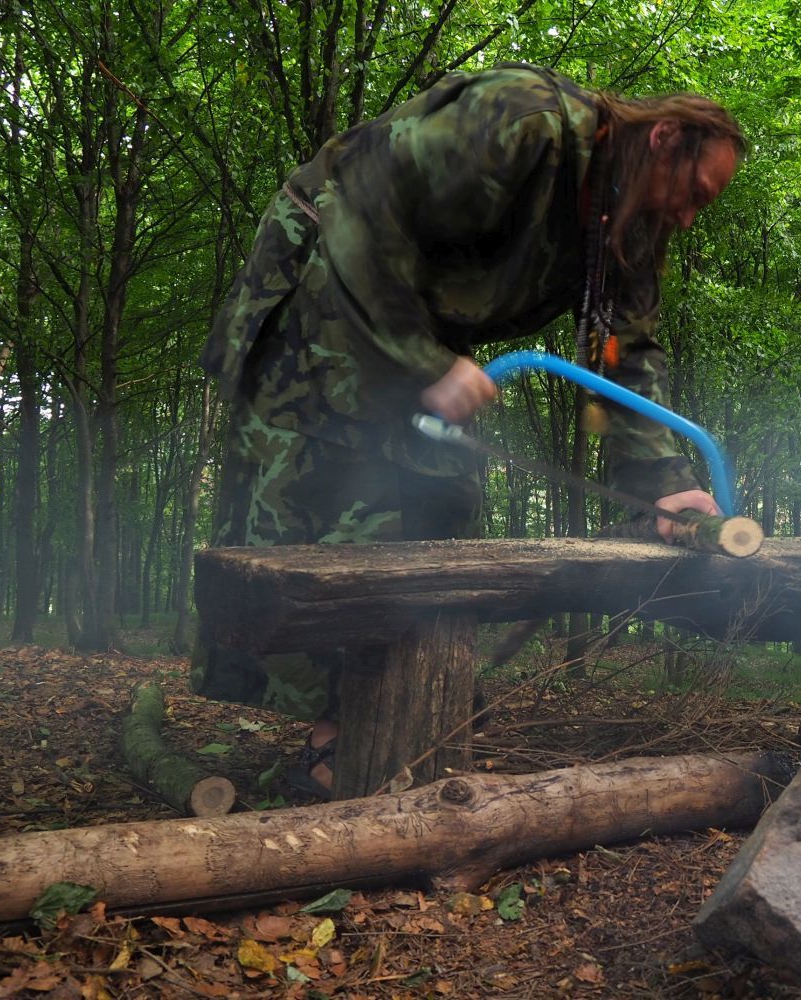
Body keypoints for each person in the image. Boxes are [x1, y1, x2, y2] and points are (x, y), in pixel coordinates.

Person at [191, 62, 744, 797]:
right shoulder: (525, 121)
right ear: (664, 139)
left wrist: (667, 484)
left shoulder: (629, 230)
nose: (686, 217)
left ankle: (383, 722)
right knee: (327, 494)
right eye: (694, 194)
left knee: (441, 501)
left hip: (415, 325)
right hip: (328, 277)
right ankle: (339, 739)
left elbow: (625, 359)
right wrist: (426, 361)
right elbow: (363, 211)